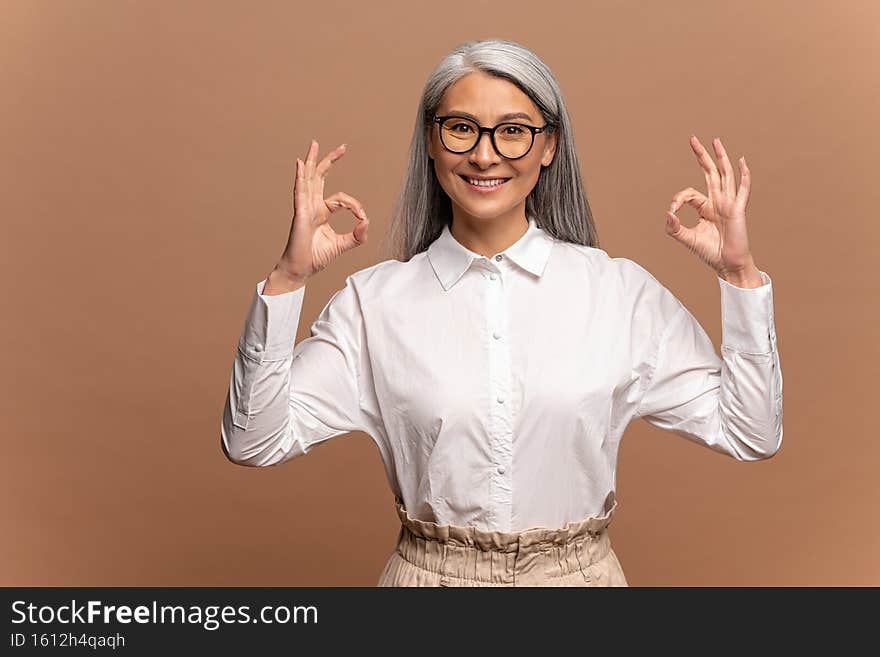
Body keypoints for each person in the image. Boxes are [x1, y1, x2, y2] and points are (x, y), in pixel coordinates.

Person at [220, 38, 783, 587]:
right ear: (431, 141)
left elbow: (749, 432)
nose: (485, 154)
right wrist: (288, 280)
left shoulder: (619, 293)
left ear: (549, 145)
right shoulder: (374, 304)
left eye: (513, 131)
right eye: (462, 128)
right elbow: (254, 441)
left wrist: (739, 278)